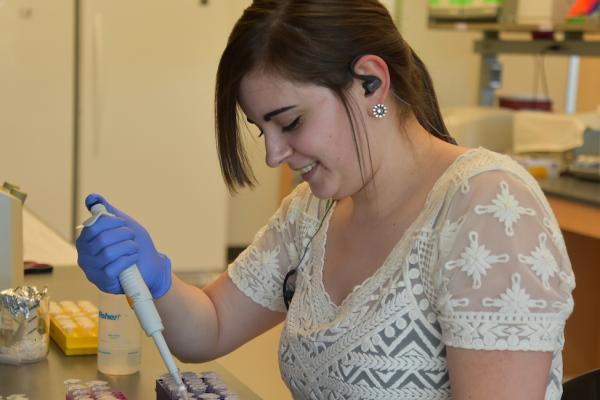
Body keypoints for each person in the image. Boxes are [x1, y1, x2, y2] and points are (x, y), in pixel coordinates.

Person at [75, 1, 575, 399]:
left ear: (370, 82)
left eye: (290, 122)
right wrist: (152, 276)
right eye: (261, 128)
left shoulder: (487, 208)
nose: (274, 154)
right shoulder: (313, 212)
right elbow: (211, 326)